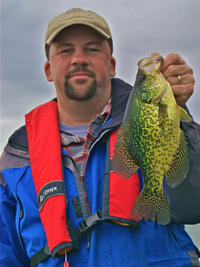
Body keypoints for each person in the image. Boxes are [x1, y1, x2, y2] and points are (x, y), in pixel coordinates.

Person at [0, 7, 200, 267]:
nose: (79, 59)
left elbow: (193, 203)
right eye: (66, 50)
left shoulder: (149, 119)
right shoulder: (16, 157)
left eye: (92, 49)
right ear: (49, 70)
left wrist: (180, 114)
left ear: (112, 65)